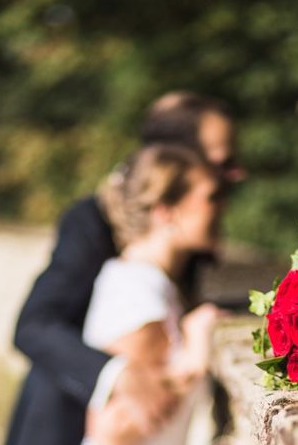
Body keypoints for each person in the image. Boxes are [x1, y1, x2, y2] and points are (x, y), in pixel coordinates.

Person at [5, 92, 242, 445]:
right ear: (176, 156)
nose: (235, 174)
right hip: (59, 426)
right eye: (222, 162)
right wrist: (119, 375)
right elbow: (34, 325)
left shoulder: (179, 238)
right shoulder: (92, 223)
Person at [82, 144, 224, 444]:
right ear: (166, 212)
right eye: (210, 197)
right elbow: (114, 428)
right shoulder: (137, 289)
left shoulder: (145, 281)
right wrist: (195, 356)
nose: (221, 207)